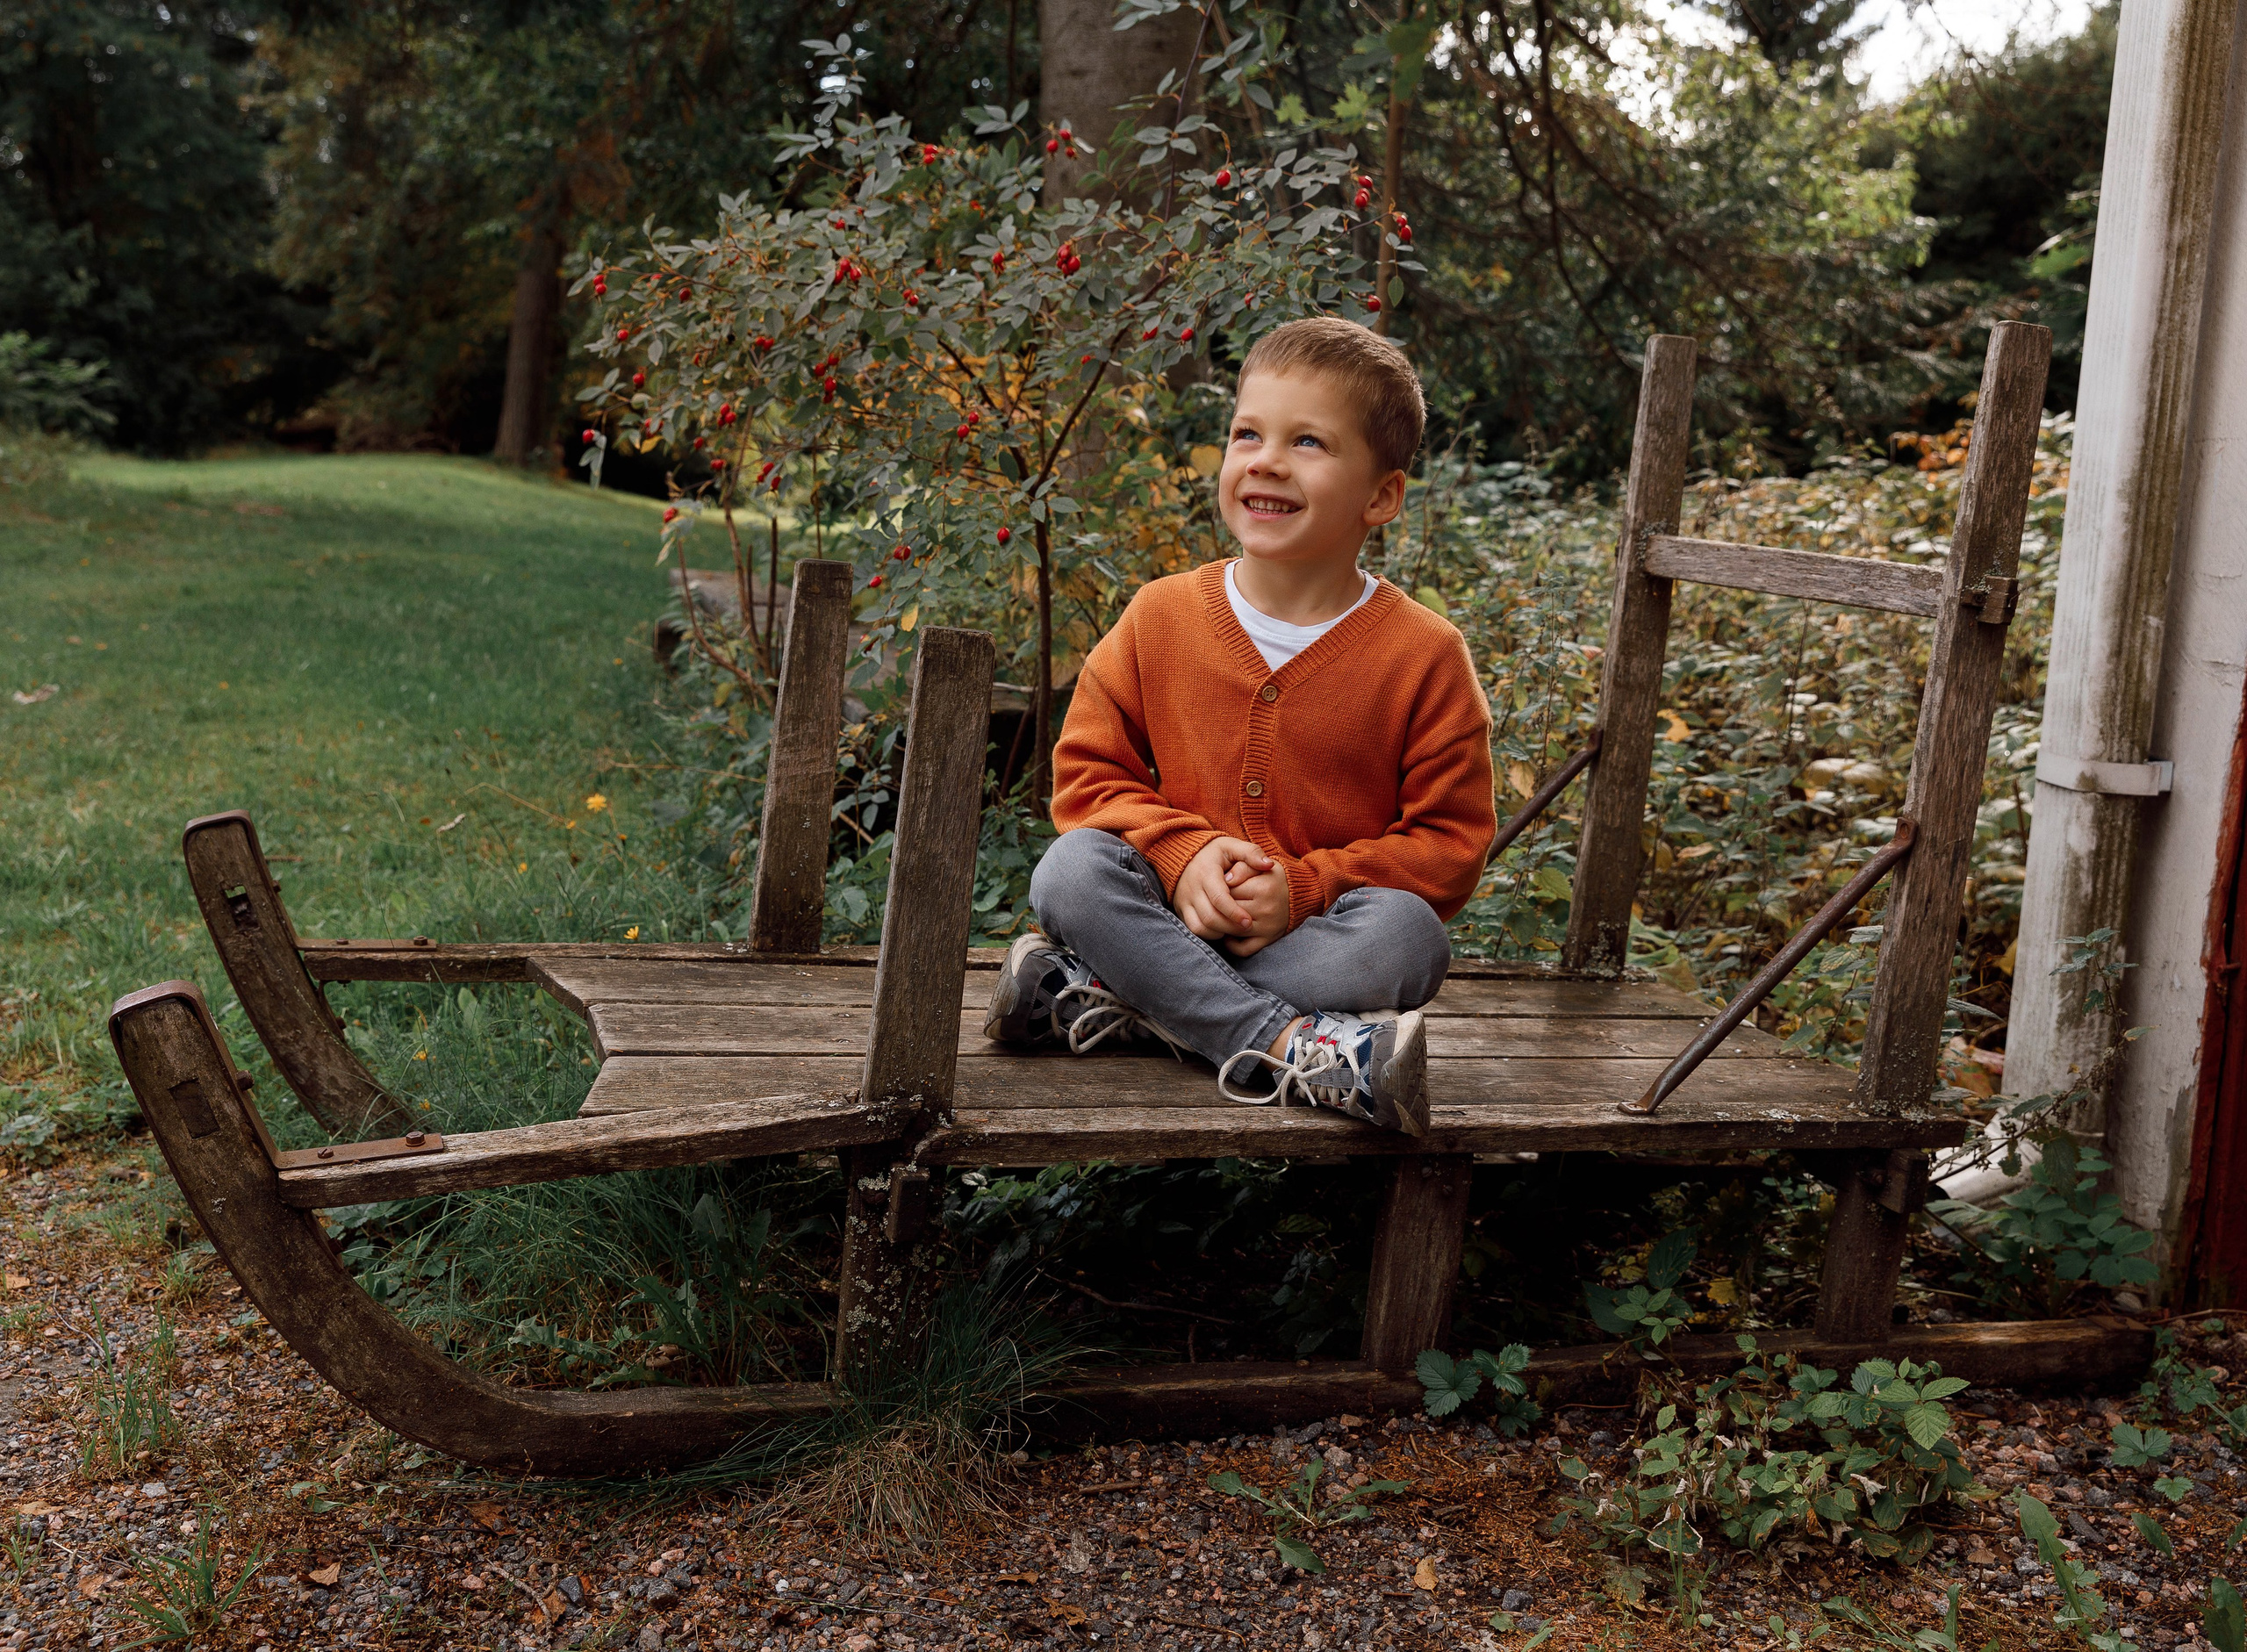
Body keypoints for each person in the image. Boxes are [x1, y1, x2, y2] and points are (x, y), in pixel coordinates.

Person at [982, 316, 1497, 1135]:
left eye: (1309, 443)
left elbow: (1450, 844)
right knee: (1072, 871)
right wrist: (1182, 861)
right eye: (1247, 433)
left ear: (1382, 495)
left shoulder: (1425, 655)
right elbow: (1088, 776)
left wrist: (1299, 893)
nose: (1266, 460)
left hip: (1314, 932)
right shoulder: (1162, 615)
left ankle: (1117, 995)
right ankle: (1289, 1044)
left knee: (1407, 939)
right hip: (1166, 904)